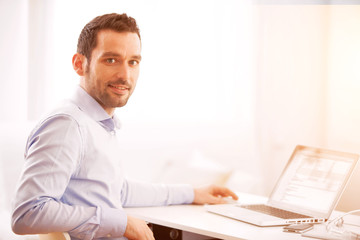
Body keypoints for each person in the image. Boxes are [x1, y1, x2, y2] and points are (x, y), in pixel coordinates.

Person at [11, 13, 238, 240]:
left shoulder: (97, 122)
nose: (125, 75)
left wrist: (191, 193)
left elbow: (118, 190)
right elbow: (27, 213)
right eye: (111, 60)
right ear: (80, 64)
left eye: (133, 62)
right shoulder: (68, 125)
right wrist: (121, 223)